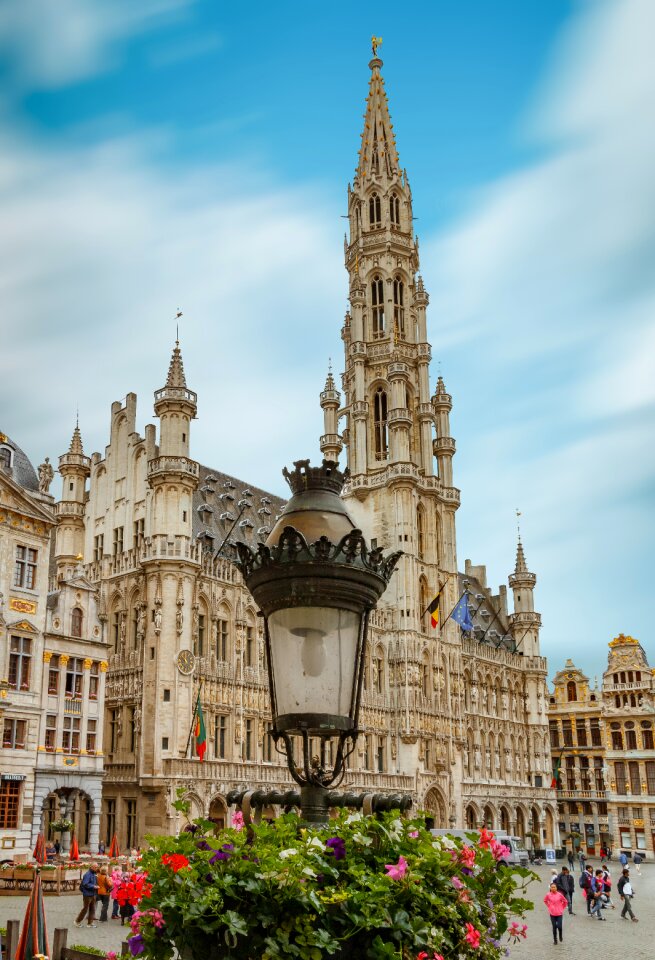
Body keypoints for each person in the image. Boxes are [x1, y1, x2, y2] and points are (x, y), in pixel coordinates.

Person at [74, 862, 99, 928]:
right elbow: (85, 884)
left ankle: (90, 923)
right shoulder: (88, 874)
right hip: (87, 894)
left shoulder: (94, 874)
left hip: (93, 893)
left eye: (97, 867)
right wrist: (93, 886)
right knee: (85, 909)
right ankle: (77, 921)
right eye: (95, 867)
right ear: (91, 867)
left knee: (92, 909)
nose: (96, 868)